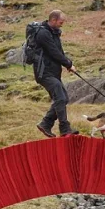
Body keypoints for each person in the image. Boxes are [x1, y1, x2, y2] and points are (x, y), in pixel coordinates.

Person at [33, 10, 79, 138]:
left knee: (63, 98)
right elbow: (54, 52)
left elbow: (59, 52)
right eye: (60, 22)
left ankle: (45, 124)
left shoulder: (54, 33)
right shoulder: (43, 34)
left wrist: (68, 64)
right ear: (53, 20)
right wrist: (68, 64)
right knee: (60, 98)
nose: (61, 25)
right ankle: (65, 129)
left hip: (53, 72)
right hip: (44, 73)